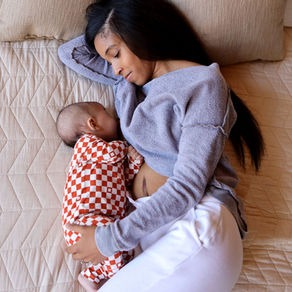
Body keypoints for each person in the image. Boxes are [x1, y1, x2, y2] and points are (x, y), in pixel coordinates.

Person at [57, 0, 265, 291]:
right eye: (109, 60)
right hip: (155, 232)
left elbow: (188, 186)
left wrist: (109, 239)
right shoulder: (128, 86)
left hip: (197, 225)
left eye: (116, 54)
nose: (114, 69)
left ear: (141, 32)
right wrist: (107, 26)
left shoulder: (203, 85)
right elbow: (71, 53)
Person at [56, 101, 143, 291]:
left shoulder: (105, 158)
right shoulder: (86, 144)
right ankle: (90, 276)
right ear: (93, 124)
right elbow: (111, 154)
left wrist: (134, 164)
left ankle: (99, 274)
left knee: (125, 253)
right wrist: (126, 147)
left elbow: (122, 182)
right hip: (84, 221)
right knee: (120, 247)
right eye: (106, 113)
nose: (114, 117)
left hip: (104, 218)